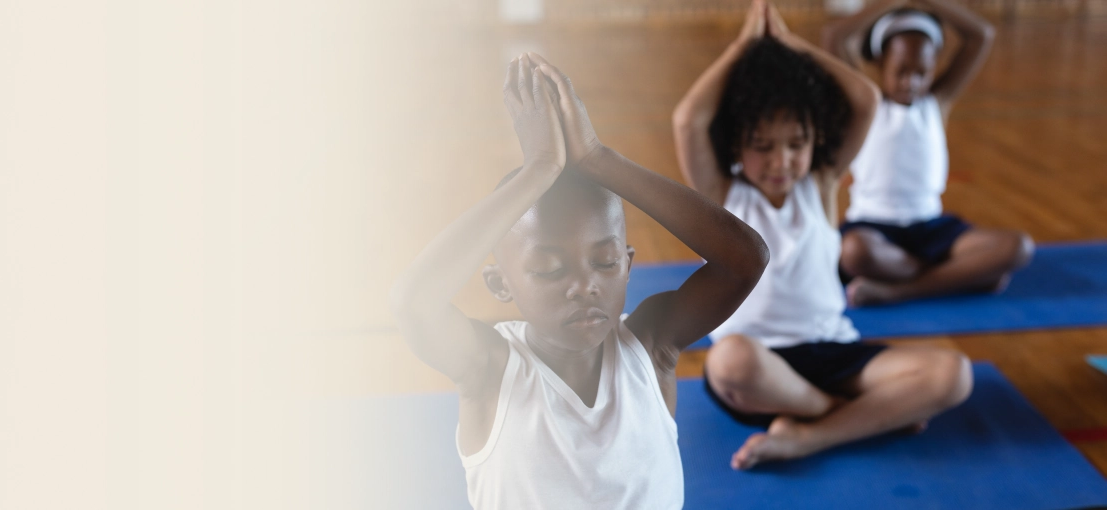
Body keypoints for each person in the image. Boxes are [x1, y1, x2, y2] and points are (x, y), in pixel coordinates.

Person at [389, 53, 768, 508]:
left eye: (605, 263)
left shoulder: (650, 347)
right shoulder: (489, 369)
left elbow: (746, 260)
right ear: (500, 284)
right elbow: (414, 304)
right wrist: (539, 169)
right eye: (550, 269)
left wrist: (598, 158)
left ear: (628, 265)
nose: (584, 285)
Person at [672, 0, 972, 469]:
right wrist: (745, 46)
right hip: (761, 367)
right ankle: (849, 416)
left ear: (815, 144)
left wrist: (791, 45)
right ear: (736, 145)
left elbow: (864, 100)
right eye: (763, 147)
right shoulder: (723, 194)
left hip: (835, 351)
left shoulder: (821, 186)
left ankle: (810, 436)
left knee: (953, 374)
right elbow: (688, 121)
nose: (781, 161)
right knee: (729, 360)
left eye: (796, 145)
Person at [824, 0, 1033, 306]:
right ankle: (960, 276)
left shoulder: (937, 103)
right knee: (853, 251)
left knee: (1018, 247)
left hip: (931, 227)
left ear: (935, 65)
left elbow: (981, 35)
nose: (911, 81)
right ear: (882, 63)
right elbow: (834, 37)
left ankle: (900, 291)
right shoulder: (865, 103)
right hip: (873, 229)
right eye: (902, 71)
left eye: (921, 73)